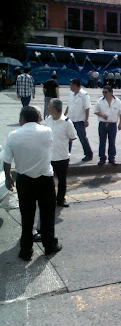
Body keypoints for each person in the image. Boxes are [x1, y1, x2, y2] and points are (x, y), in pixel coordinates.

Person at [3, 106, 62, 261]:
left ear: (21, 119)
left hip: (24, 180)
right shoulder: (47, 131)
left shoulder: (13, 135)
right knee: (47, 214)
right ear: (38, 117)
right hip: (45, 179)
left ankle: (26, 250)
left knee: (27, 216)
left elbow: (7, 160)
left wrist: (9, 177)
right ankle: (49, 245)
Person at [44, 98, 77, 208]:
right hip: (49, 156)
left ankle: (60, 199)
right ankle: (50, 199)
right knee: (48, 180)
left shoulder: (67, 122)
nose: (48, 108)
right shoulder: (47, 120)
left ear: (54, 109)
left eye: (49, 106)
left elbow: (73, 137)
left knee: (62, 180)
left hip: (62, 156)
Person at [94, 85, 121, 166]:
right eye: (103, 92)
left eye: (106, 92)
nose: (104, 94)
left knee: (112, 142)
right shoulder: (100, 101)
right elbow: (95, 111)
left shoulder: (117, 101)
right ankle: (102, 158)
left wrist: (120, 123)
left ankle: (112, 158)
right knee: (102, 142)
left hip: (113, 124)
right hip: (103, 124)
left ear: (111, 92)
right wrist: (102, 115)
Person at [65, 79, 93, 162]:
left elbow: (87, 107)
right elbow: (68, 105)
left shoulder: (84, 95)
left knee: (82, 138)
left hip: (79, 120)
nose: (70, 86)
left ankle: (88, 154)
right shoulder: (71, 94)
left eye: (71, 85)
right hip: (70, 119)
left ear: (75, 85)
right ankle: (66, 154)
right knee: (68, 137)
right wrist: (64, 115)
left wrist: (86, 119)